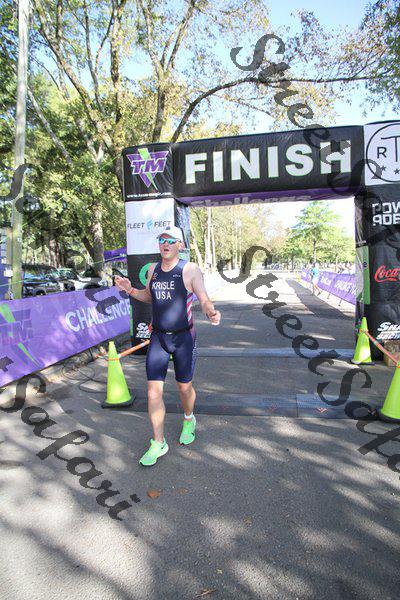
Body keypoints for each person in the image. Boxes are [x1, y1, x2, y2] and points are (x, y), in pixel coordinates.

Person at [114, 225, 221, 467]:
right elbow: (149, 296)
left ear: (180, 245)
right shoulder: (153, 269)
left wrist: (211, 312)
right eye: (162, 239)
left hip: (184, 338)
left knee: (184, 388)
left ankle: (189, 418)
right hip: (159, 339)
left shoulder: (190, 269)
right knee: (153, 392)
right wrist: (130, 289)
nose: (166, 243)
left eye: (171, 240)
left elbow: (203, 298)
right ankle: (158, 442)